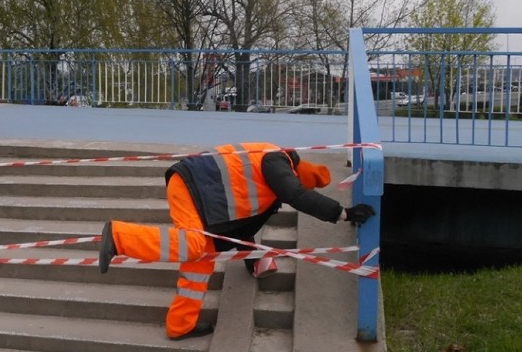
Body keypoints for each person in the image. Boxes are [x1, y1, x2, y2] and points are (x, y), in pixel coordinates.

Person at [98, 142, 375, 341]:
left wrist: (253, 259)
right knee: (193, 245)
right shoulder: (275, 159)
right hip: (191, 185)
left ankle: (180, 325)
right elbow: (297, 196)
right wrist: (343, 213)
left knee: (201, 258)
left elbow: (243, 224)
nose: (296, 185)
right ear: (298, 170)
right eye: (300, 181)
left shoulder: (264, 181)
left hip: (202, 195)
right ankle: (120, 237)